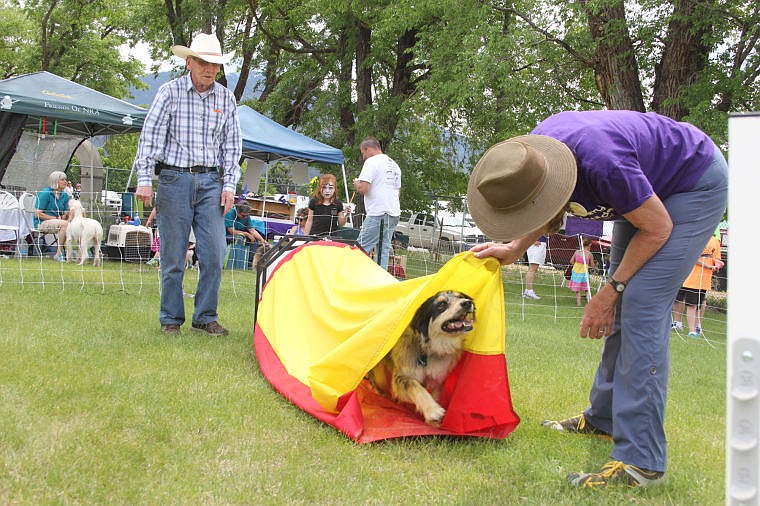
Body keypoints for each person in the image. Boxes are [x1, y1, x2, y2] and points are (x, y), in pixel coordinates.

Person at [468, 110, 727, 489]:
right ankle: (603, 419)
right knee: (624, 301)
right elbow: (544, 203)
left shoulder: (604, 165)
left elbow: (657, 228)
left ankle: (643, 464)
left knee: (639, 305)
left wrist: (610, 292)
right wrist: (514, 246)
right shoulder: (532, 157)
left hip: (693, 183)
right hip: (645, 186)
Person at [133, 33, 242, 336]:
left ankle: (205, 316)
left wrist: (229, 185)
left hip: (211, 181)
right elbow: (151, 138)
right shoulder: (169, 92)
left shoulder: (226, 98)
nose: (210, 70)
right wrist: (145, 180)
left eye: (215, 65)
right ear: (189, 62)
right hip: (173, 178)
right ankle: (171, 318)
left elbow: (232, 147)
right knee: (173, 254)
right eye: (204, 63)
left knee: (215, 252)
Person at [353, 137, 401, 270]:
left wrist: (357, 184)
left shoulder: (371, 162)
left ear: (368, 149)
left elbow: (364, 188)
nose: (363, 157)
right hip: (393, 213)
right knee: (383, 252)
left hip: (377, 213)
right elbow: (397, 192)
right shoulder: (394, 165)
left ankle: (352, 278)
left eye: (363, 153)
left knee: (360, 248)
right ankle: (381, 282)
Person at [671, 235, 724, 337]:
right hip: (687, 277)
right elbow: (690, 257)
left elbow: (716, 258)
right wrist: (708, 266)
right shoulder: (694, 237)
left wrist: (718, 264)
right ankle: (684, 326)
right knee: (686, 302)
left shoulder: (714, 240)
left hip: (703, 280)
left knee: (699, 303)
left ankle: (696, 327)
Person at [34, 170, 70, 262]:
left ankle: (74, 254)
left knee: (73, 224)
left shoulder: (65, 195)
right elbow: (38, 213)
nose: (65, 181)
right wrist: (55, 218)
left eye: (65, 179)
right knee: (65, 225)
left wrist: (67, 214)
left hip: (59, 222)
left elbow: (65, 212)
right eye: (62, 179)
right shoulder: (45, 193)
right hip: (42, 223)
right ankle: (58, 254)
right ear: (55, 181)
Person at [224, 201, 267, 267]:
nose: (245, 217)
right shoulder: (230, 213)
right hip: (226, 234)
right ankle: (236, 262)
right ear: (237, 211)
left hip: (240, 233)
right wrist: (246, 234)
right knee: (240, 238)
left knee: (254, 239)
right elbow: (231, 231)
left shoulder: (246, 217)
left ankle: (249, 263)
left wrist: (262, 240)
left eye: (247, 215)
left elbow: (252, 230)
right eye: (243, 215)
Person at [567, 236, 595, 306]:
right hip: (584, 273)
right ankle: (589, 303)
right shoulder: (589, 254)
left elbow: (571, 261)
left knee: (577, 289)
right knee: (586, 289)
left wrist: (577, 265)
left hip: (576, 272)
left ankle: (579, 303)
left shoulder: (577, 252)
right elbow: (592, 265)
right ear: (589, 245)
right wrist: (586, 267)